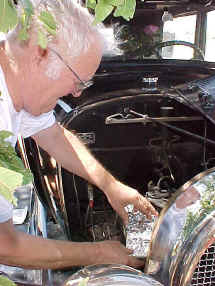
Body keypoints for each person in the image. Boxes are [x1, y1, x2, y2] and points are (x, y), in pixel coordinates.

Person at [0, 0, 157, 270]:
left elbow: (50, 133)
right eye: (78, 81)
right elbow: (5, 246)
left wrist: (111, 186)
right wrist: (98, 254)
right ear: (41, 53)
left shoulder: (18, 82)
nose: (78, 94)